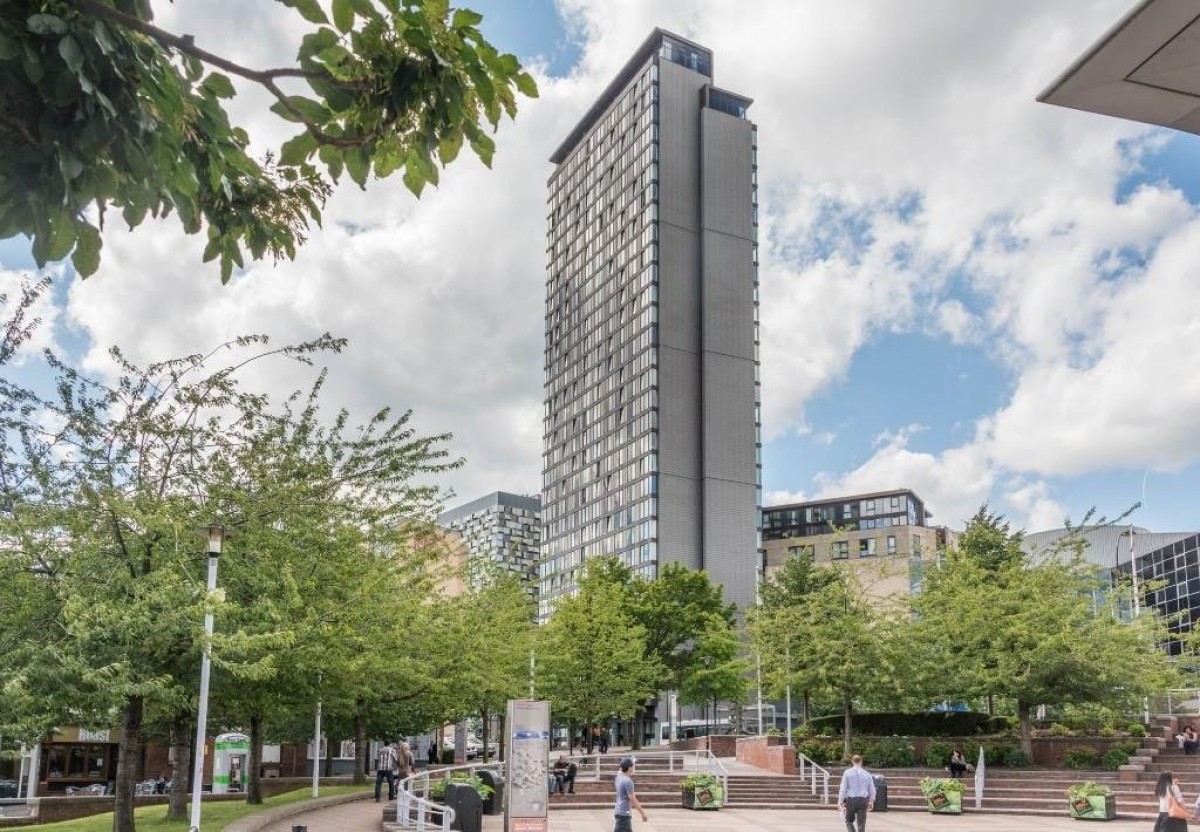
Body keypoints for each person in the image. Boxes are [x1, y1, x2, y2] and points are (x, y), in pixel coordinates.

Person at [837, 754, 876, 832]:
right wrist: (871, 801)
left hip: (851, 800)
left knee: (848, 821)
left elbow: (843, 788)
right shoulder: (867, 774)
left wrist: (840, 801)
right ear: (861, 761)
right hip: (862, 800)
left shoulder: (847, 773)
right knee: (861, 823)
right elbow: (872, 789)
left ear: (852, 761)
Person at [613, 756, 647, 832]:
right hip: (624, 814)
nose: (634, 768)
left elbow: (621, 769)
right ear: (629, 767)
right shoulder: (628, 781)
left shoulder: (618, 777)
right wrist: (642, 813)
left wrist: (630, 761)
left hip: (620, 812)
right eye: (633, 766)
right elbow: (632, 799)